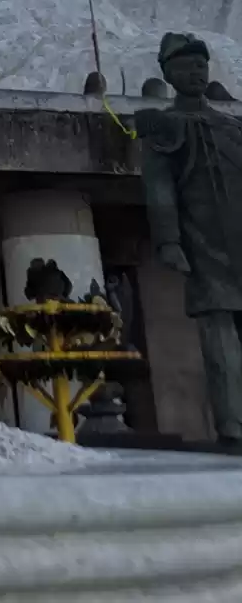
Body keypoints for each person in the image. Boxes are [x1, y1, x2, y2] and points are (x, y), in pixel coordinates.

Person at [136, 32, 242, 449]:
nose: (195, 72)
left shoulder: (232, 126)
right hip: (206, 244)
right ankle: (233, 426)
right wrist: (169, 242)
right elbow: (159, 189)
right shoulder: (164, 127)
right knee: (219, 338)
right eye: (185, 66)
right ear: (168, 73)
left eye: (200, 64)